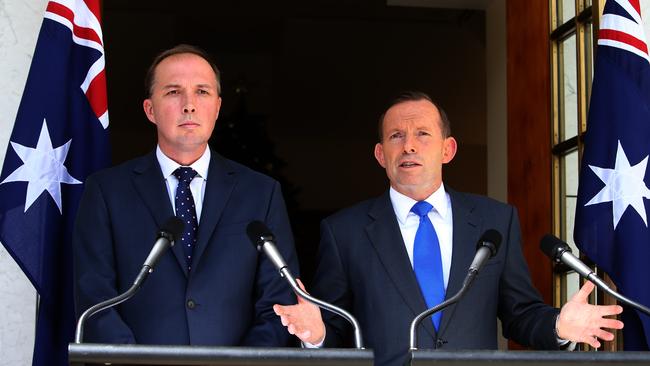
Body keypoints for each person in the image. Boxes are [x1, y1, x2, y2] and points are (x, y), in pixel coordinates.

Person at [273, 91, 624, 365]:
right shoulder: (343, 232)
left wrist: (558, 326)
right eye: (396, 136)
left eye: (422, 133)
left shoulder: (494, 221)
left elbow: (520, 314)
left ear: (448, 149)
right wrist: (316, 334)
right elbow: (336, 329)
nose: (408, 145)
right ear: (381, 155)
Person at [73, 44, 299, 346]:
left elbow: (278, 301)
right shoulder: (106, 191)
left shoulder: (261, 193)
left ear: (218, 108)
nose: (189, 105)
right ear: (150, 110)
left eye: (202, 92)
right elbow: (94, 297)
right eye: (173, 92)